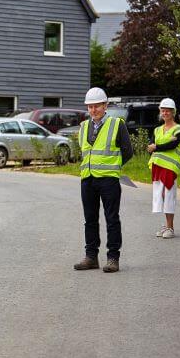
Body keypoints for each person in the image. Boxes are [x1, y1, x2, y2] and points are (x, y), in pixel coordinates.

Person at [74, 87, 134, 273]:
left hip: (109, 180)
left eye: (97, 106)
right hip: (88, 179)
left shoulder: (117, 124)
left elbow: (128, 151)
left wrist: (114, 166)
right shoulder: (84, 127)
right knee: (89, 219)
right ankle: (91, 257)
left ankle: (113, 258)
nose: (93, 110)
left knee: (111, 218)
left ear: (105, 105)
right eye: (90, 107)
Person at [147, 98, 180, 239]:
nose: (165, 113)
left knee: (168, 196)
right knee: (161, 196)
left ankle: (170, 228)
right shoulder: (158, 129)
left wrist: (157, 147)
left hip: (170, 168)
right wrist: (152, 147)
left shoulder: (178, 129)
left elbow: (173, 145)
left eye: (168, 111)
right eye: (163, 110)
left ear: (173, 112)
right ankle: (166, 226)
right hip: (158, 166)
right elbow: (151, 145)